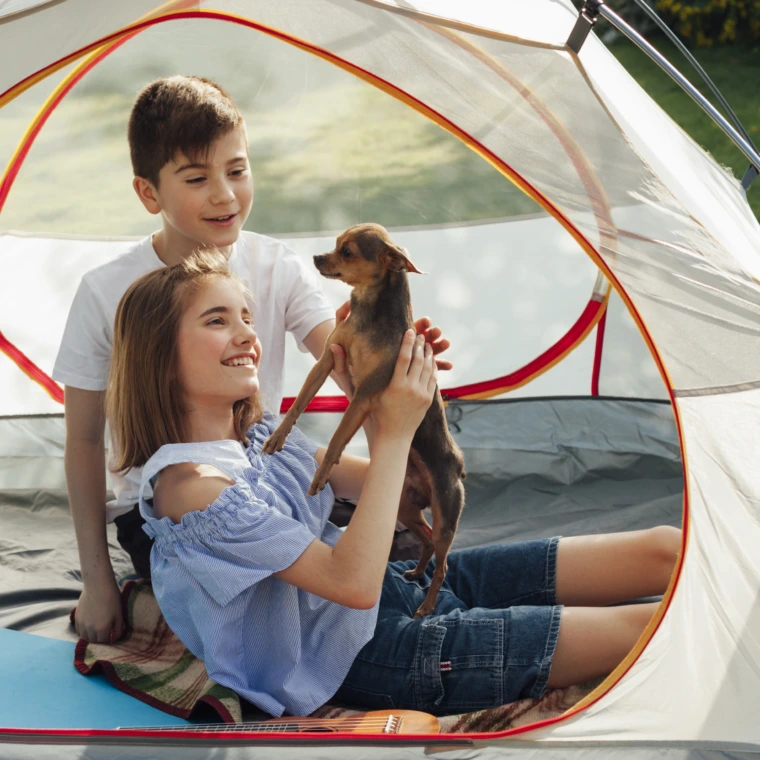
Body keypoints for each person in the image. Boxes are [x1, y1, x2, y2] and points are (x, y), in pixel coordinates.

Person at [106, 250, 682, 718]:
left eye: (247, 318)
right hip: (374, 656)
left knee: (665, 547)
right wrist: (394, 429)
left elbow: (397, 487)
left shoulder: (255, 440)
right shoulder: (193, 490)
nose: (246, 335)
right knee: (647, 628)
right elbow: (349, 583)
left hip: (401, 587)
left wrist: (394, 386)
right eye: (217, 320)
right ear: (160, 357)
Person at [53, 75, 450, 645]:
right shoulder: (104, 291)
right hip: (173, 512)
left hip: (272, 483)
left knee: (410, 534)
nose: (225, 195)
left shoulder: (276, 264)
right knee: (323, 583)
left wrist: (400, 361)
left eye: (237, 171)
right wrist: (96, 580)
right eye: (197, 178)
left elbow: (342, 360)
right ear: (149, 193)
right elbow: (85, 442)